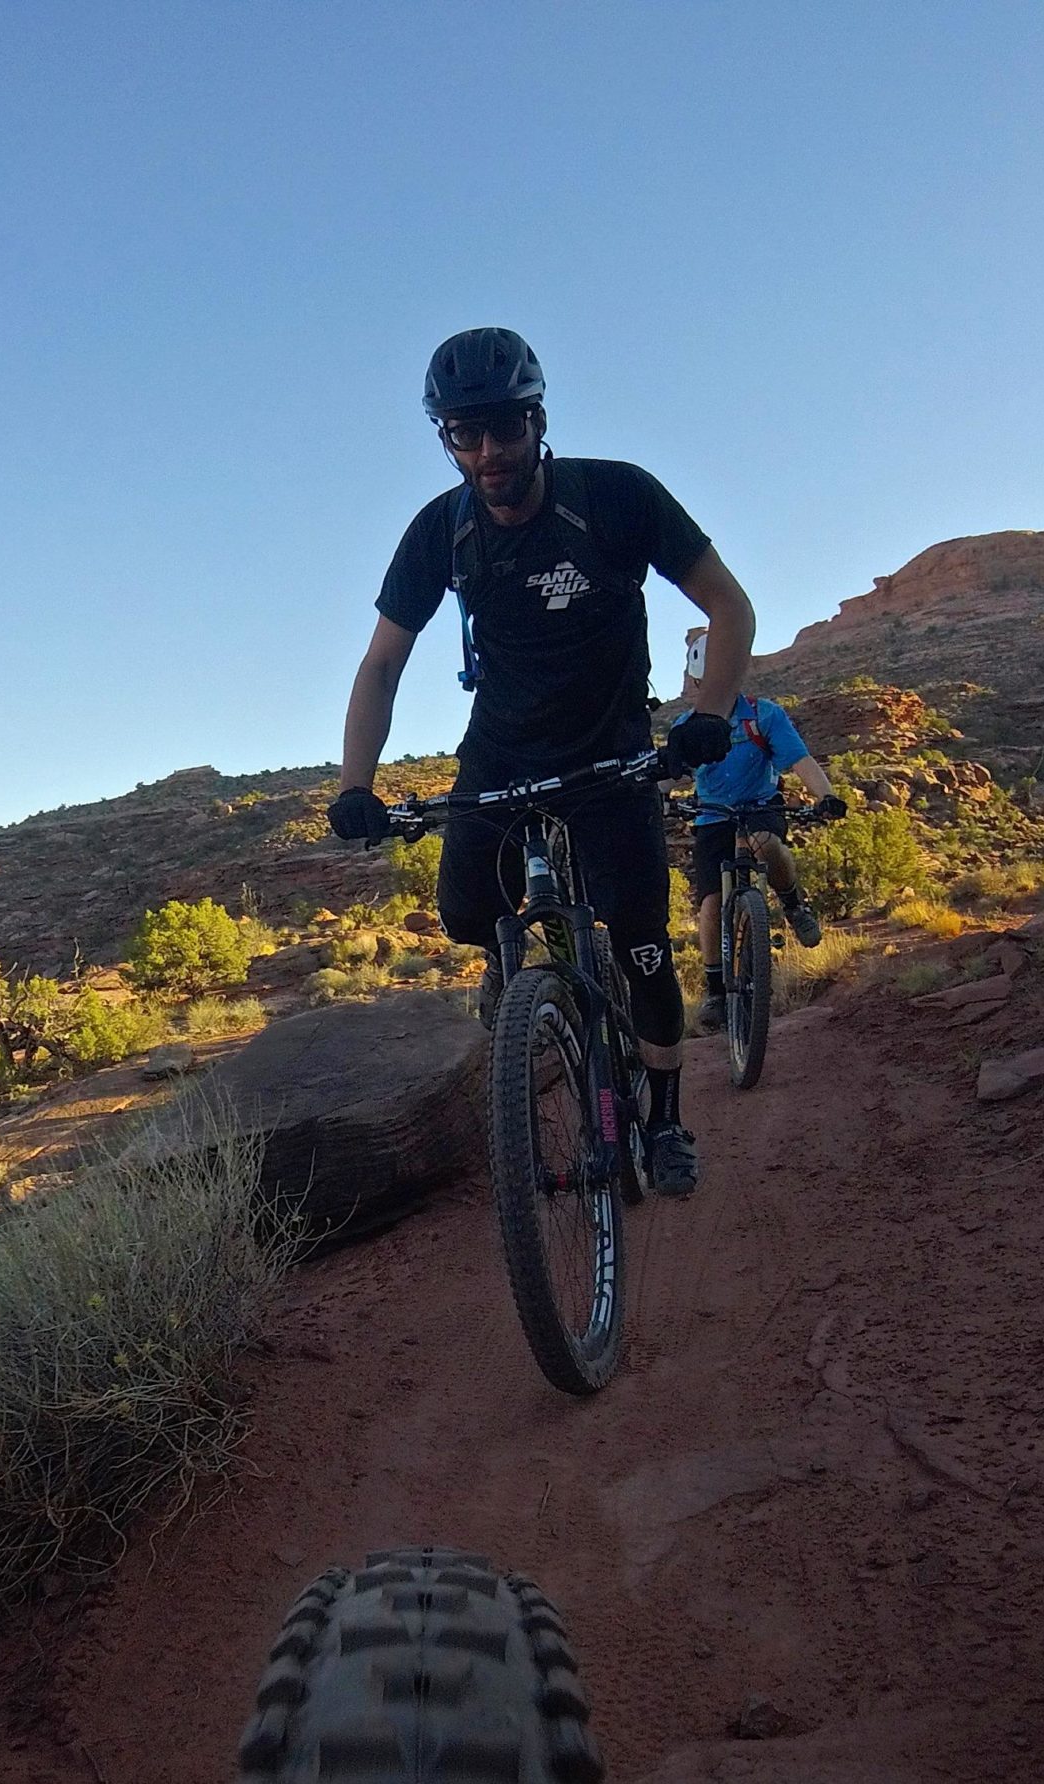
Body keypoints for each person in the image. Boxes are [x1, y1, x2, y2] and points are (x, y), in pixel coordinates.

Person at [327, 327, 756, 1197]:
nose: (487, 452)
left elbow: (727, 604)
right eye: (463, 433)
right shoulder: (440, 532)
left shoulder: (615, 498)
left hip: (612, 748)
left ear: (538, 419)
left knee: (640, 945)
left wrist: (707, 716)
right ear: (445, 436)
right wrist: (355, 786)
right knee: (462, 911)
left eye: (504, 428)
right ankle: (526, 985)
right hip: (500, 752)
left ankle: (665, 1117)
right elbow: (381, 664)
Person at [672, 627, 849, 1033]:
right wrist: (654, 795)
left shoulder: (764, 715)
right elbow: (669, 775)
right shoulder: (686, 726)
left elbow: (800, 761)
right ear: (697, 681)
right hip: (712, 816)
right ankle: (716, 991)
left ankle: (793, 905)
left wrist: (826, 796)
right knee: (711, 905)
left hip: (759, 806)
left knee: (767, 843)